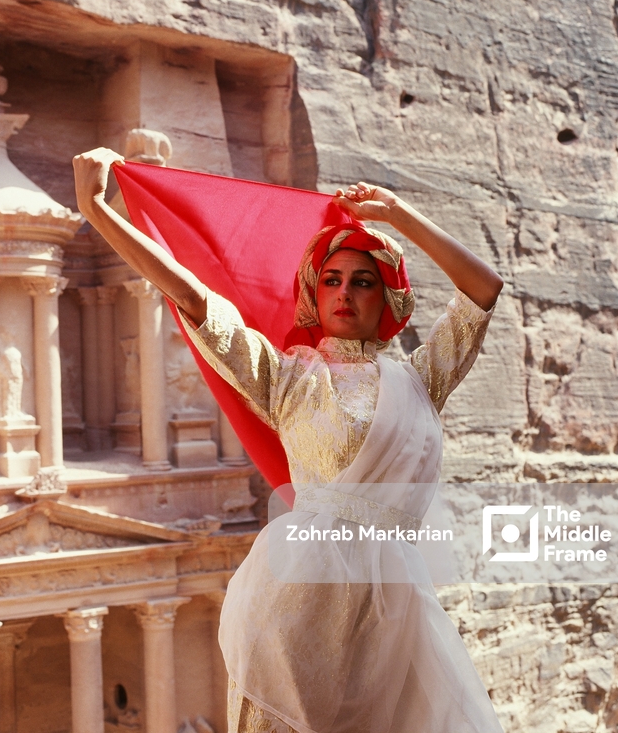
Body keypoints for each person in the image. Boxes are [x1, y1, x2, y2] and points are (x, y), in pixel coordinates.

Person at [73, 147, 505, 733]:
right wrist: (99, 212)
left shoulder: (422, 378)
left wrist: (396, 214)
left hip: (395, 607)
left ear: (387, 298)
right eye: (332, 280)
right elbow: (193, 298)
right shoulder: (287, 378)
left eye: (363, 281)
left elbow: (484, 289)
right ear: (314, 294)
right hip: (297, 605)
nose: (345, 292)